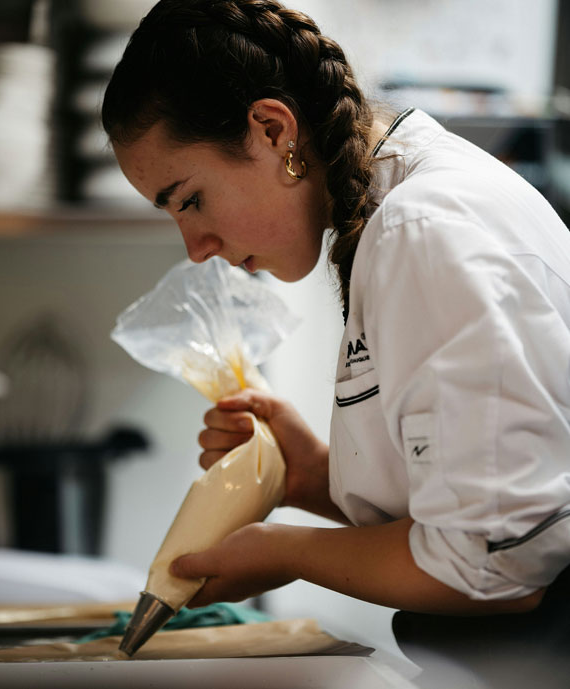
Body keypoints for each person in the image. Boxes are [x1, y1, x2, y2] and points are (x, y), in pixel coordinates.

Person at [102, 1, 570, 685]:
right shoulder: (391, 216)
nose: (195, 249)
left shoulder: (424, 229)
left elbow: (496, 565)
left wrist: (285, 551)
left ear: (271, 129)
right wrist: (307, 475)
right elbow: (470, 501)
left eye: (191, 199)